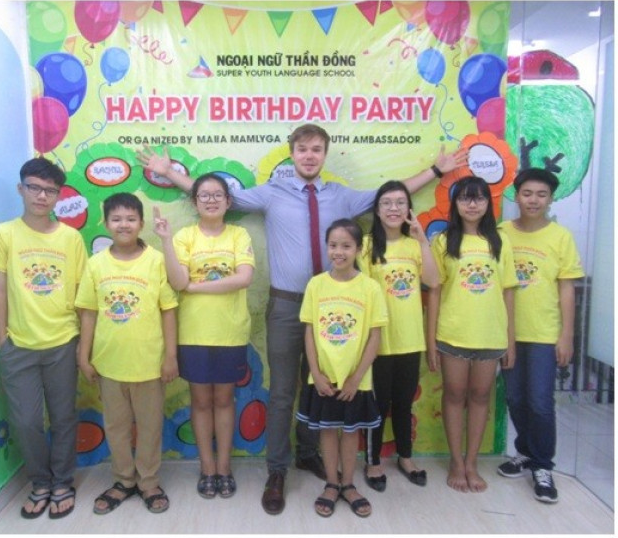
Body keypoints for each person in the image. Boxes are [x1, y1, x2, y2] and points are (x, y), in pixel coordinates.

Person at [138, 124, 467, 514]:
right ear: (291, 153)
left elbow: (390, 195)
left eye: (316, 149)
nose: (309, 156)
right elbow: (217, 195)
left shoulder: (342, 195)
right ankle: (277, 470)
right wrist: (169, 172)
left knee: (321, 385)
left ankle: (309, 453)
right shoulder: (272, 192)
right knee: (281, 391)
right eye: (303, 149)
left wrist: (436, 170)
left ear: (325, 154)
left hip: (333, 308)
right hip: (285, 305)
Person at [0, 157, 87, 519]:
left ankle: (62, 482)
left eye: (50, 191)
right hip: (18, 344)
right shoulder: (3, 234)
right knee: (27, 421)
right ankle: (40, 482)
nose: (41, 196)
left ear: (59, 196)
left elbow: (82, 293)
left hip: (63, 341)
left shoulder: (70, 238)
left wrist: (83, 344)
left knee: (63, 418)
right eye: (34, 188)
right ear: (21, 189)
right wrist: (2, 340)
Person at [153, 173, 255, 499]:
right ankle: (207, 469)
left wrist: (196, 288)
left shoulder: (239, 235)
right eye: (204, 195)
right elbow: (177, 281)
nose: (211, 200)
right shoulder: (185, 236)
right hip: (193, 333)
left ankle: (224, 468)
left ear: (228, 201)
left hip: (230, 332)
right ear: (195, 202)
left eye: (217, 195)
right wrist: (166, 241)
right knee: (200, 402)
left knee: (224, 400)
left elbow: (243, 278)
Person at [75, 192, 178, 516]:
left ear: (141, 224)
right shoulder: (96, 264)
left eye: (131, 219)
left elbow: (168, 310)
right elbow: (88, 312)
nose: (124, 224)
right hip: (109, 364)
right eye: (116, 219)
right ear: (106, 223)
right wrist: (83, 355)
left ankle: (148, 482)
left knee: (149, 427)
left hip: (149, 363)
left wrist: (170, 356)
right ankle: (123, 481)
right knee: (116, 427)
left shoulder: (156, 261)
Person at [496, 168, 584, 503]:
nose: (533, 200)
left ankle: (543, 466)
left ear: (550, 199)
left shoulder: (560, 237)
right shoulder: (502, 233)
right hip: (507, 332)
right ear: (516, 196)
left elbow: (567, 288)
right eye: (527, 193)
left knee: (540, 402)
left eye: (541, 194)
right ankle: (525, 451)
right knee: (515, 398)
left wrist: (567, 336)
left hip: (545, 334)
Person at [426, 176, 519, 493]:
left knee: (480, 397)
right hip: (453, 334)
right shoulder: (443, 241)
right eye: (465, 198)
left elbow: (508, 292)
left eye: (478, 198)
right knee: (454, 395)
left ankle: (471, 462)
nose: (472, 204)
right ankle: (456, 461)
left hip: (491, 336)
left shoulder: (500, 241)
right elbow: (434, 292)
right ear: (455, 203)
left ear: (488, 203)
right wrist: (430, 342)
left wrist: (510, 341)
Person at [296, 218, 386, 518]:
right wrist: (316, 373)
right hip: (323, 378)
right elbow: (309, 332)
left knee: (350, 432)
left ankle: (348, 484)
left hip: (355, 380)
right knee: (327, 430)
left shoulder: (370, 288)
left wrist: (356, 378)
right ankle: (331, 484)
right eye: (333, 245)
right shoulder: (316, 284)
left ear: (358, 249)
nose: (339, 252)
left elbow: (375, 336)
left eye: (346, 246)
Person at [359, 181, 439, 492]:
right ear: (377, 210)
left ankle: (406, 457)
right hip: (378, 342)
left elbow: (433, 281)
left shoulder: (414, 245)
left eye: (400, 203)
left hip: (410, 339)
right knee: (377, 406)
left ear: (409, 209)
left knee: (404, 403)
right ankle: (373, 461)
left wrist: (422, 241)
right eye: (387, 203)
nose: (394, 208)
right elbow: (363, 295)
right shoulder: (366, 246)